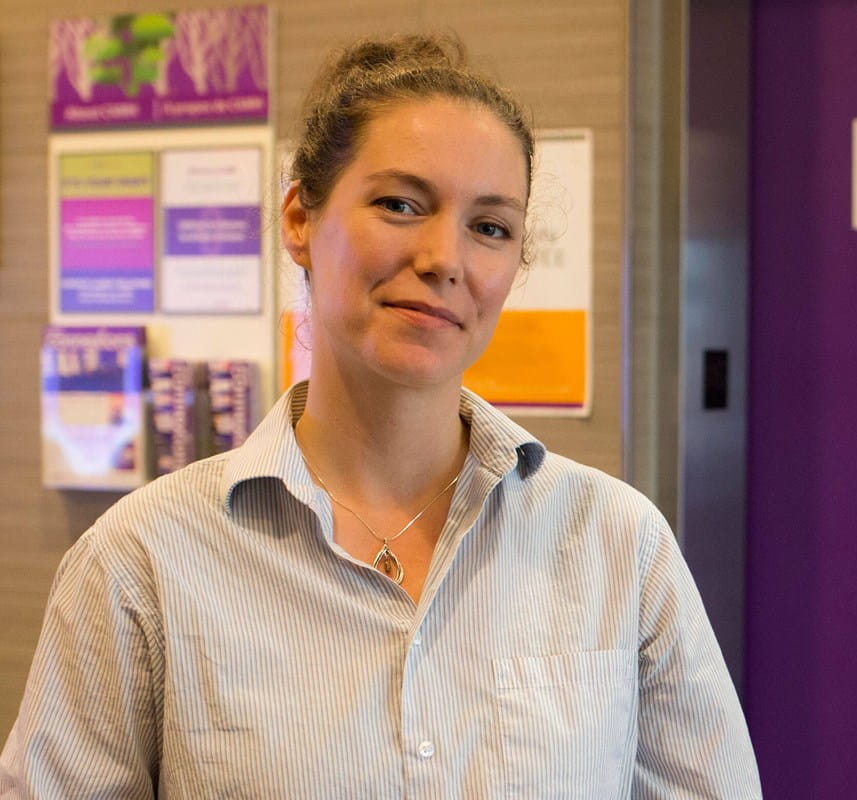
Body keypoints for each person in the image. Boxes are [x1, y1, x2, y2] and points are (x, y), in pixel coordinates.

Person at [0, 33, 761, 799]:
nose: (444, 258)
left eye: (489, 227)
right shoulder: (142, 562)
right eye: (400, 204)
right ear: (300, 218)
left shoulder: (616, 545)